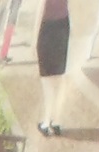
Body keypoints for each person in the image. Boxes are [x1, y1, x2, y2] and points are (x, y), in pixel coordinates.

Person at [34, 0, 70, 135]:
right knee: (59, 77)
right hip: (63, 24)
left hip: (47, 27)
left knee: (46, 79)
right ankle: (57, 121)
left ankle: (46, 121)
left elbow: (41, 8)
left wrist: (34, 39)